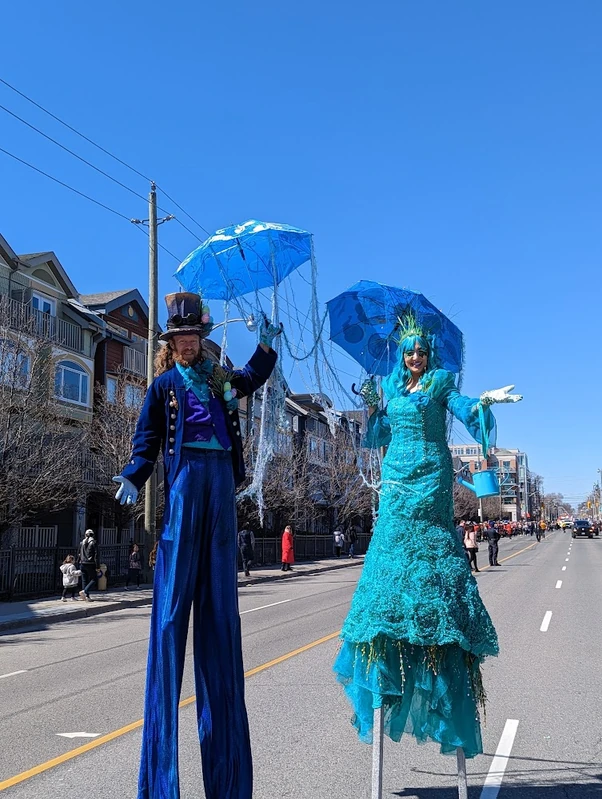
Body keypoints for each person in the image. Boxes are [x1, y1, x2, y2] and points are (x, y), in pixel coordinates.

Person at [112, 292, 280, 799]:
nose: (188, 344)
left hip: (220, 481)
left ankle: (228, 783)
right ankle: (161, 785)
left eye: (194, 337)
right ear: (172, 343)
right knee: (168, 621)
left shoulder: (217, 378)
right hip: (185, 481)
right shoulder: (163, 385)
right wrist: (133, 475)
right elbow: (146, 441)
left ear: (202, 340)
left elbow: (250, 380)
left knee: (220, 618)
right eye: (181, 339)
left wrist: (266, 347)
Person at [334, 313, 522, 759]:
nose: (415, 357)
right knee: (392, 556)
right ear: (402, 357)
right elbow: (377, 435)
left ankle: (441, 634)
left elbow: (461, 406)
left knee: (430, 555)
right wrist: (372, 407)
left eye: (421, 350)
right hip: (397, 478)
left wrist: (484, 403)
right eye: (409, 352)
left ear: (429, 355)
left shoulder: (439, 382)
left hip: (432, 477)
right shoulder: (394, 388)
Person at [78, 529, 98, 602]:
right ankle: (85, 591)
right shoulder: (93, 542)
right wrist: (97, 566)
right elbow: (96, 555)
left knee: (84, 580)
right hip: (90, 563)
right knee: (94, 579)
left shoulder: (81, 543)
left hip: (82, 563)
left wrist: (78, 562)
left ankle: (86, 596)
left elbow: (79, 554)